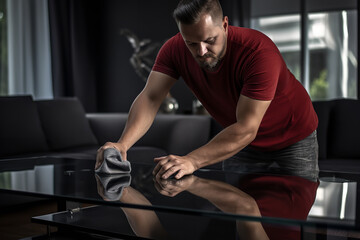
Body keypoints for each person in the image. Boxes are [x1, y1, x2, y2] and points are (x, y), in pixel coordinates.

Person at [96, 0, 319, 182]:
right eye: (191, 43)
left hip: (293, 137)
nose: (201, 51)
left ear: (224, 24)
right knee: (240, 217)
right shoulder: (174, 49)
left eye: (210, 40)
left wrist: (192, 160)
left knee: (295, 216)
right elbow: (151, 97)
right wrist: (122, 144)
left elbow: (247, 128)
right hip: (241, 141)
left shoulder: (258, 52)